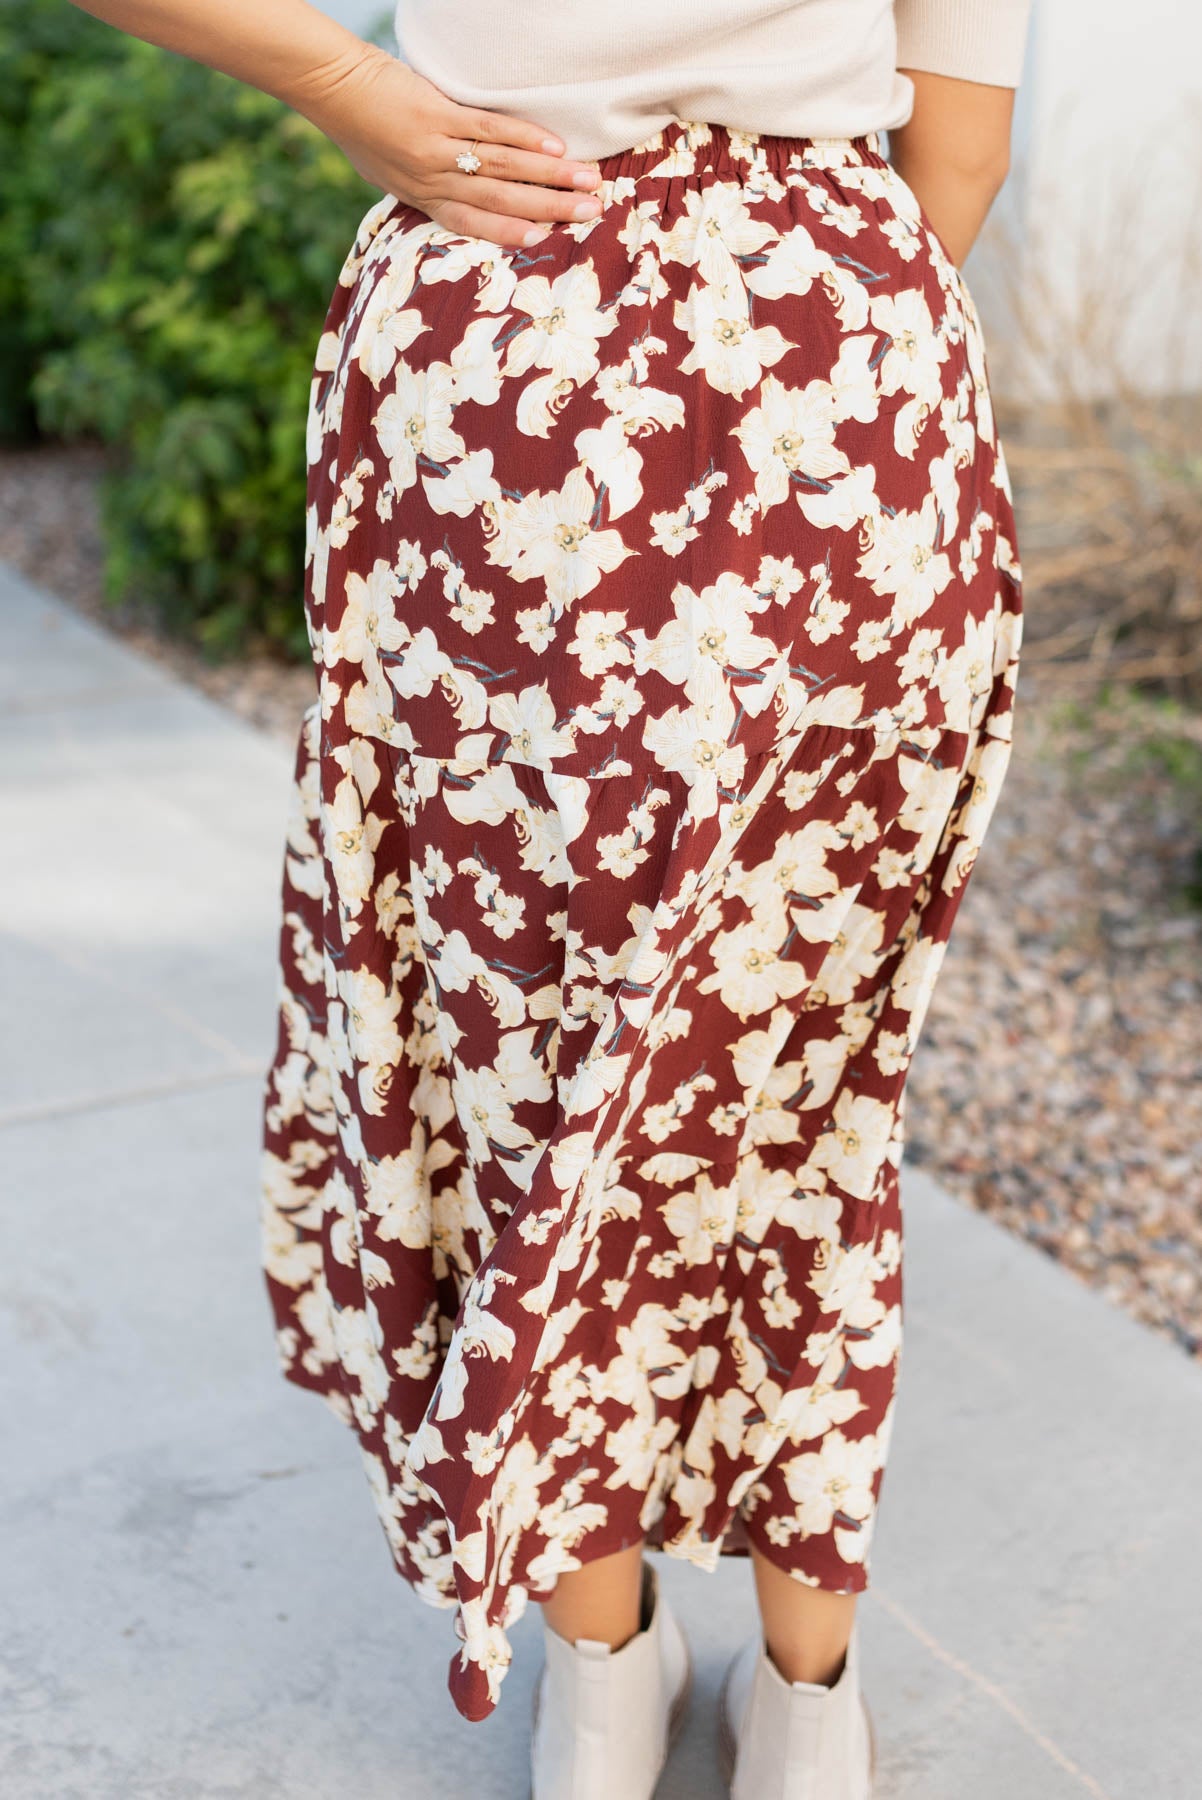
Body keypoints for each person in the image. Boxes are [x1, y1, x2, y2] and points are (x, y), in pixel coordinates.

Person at [69, 1, 1031, 1793]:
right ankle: (805, 1697)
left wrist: (356, 88)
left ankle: (596, 1667)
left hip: (504, 372)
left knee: (530, 1047)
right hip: (837, 377)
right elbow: (957, 150)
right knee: (801, 1075)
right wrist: (790, 341)